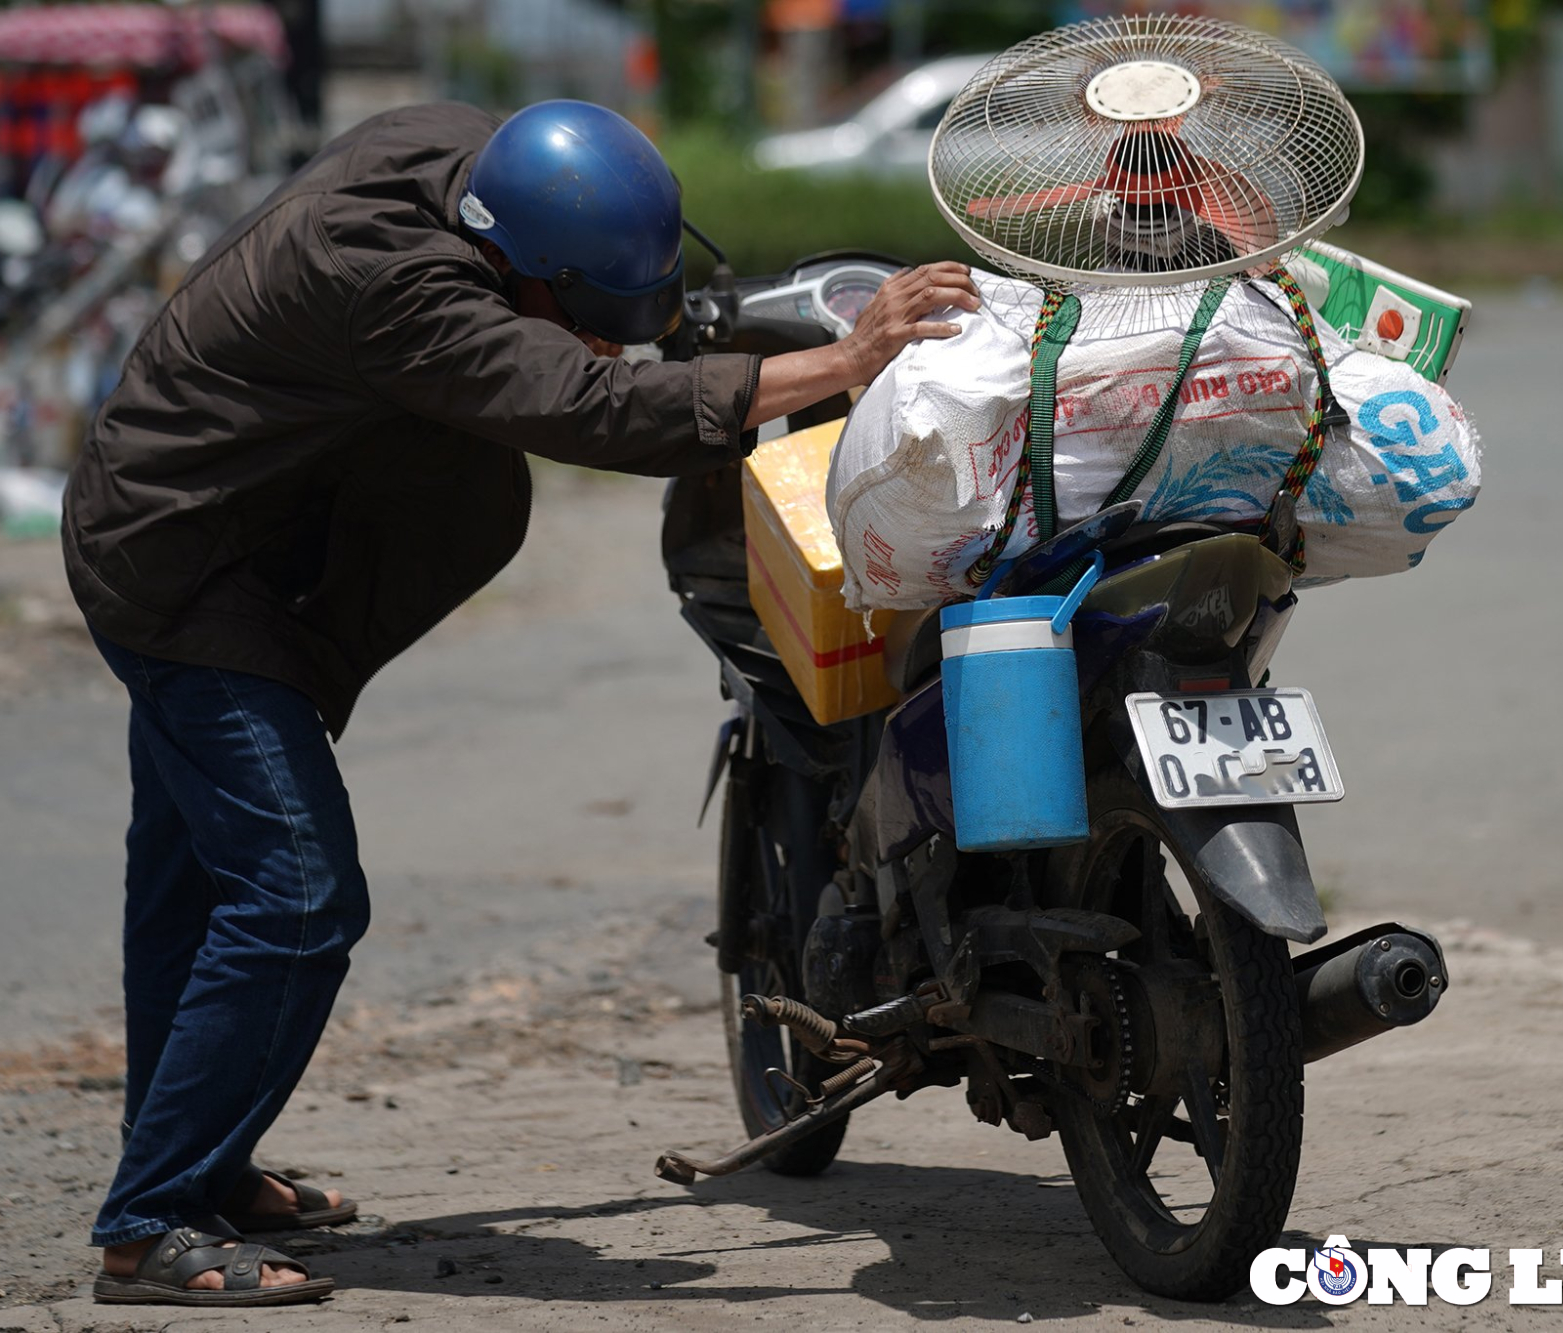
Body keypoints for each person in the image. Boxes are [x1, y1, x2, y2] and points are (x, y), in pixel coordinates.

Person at [63, 99, 978, 1307]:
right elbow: (583, 405)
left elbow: (582, 297)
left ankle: (198, 1164)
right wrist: (848, 361)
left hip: (249, 531)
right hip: (185, 569)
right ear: (516, 269)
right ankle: (148, 1224)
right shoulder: (389, 286)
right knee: (291, 896)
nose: (601, 339)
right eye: (582, 316)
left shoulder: (468, 155)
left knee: (191, 882)